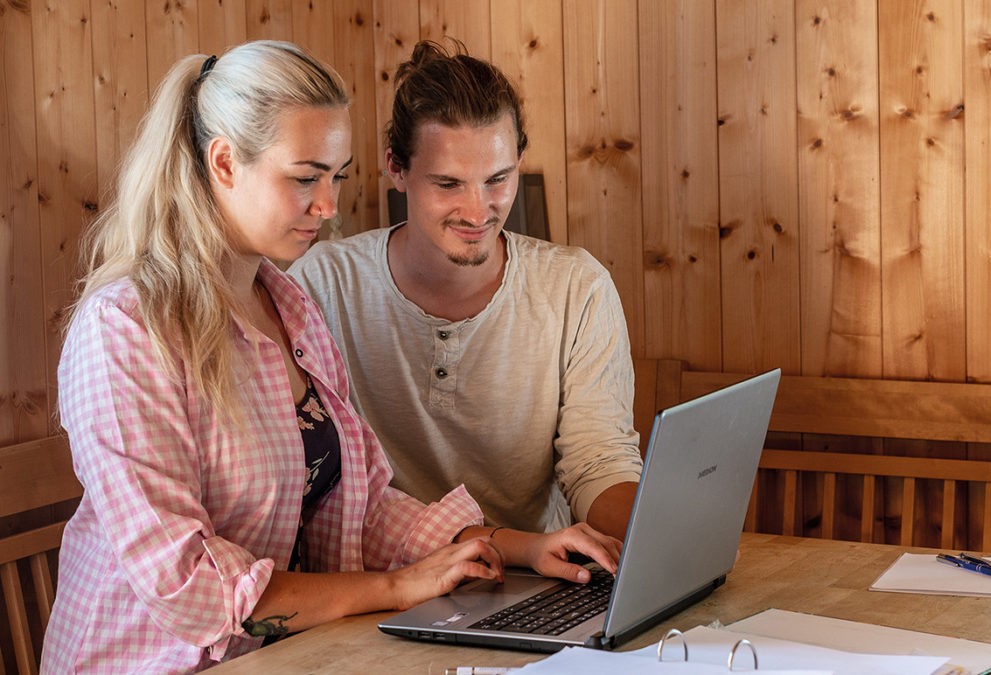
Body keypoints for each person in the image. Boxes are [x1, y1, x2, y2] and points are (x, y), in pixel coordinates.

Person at [41, 40, 619, 674]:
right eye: (305, 177)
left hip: (283, 657)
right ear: (225, 162)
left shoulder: (288, 306)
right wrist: (396, 588)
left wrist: (518, 548)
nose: (330, 206)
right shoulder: (124, 327)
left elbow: (364, 506)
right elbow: (189, 587)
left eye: (337, 176)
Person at [289, 40, 643, 538]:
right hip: (379, 581)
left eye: (497, 179)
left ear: (519, 161)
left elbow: (599, 460)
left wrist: (658, 534)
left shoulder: (576, 288)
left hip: (536, 580)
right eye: (449, 184)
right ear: (396, 168)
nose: (479, 213)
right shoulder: (320, 286)